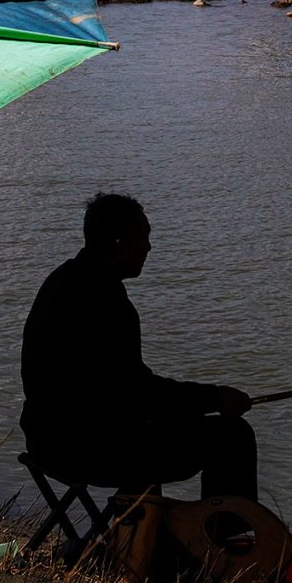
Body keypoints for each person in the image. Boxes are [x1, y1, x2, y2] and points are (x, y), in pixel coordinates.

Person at [20, 192, 256, 499]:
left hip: (45, 437)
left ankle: (146, 530)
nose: (148, 247)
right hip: (85, 448)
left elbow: (121, 392)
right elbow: (137, 393)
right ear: (119, 243)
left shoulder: (64, 279)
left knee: (166, 426)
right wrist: (215, 398)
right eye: (143, 238)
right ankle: (225, 542)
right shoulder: (105, 303)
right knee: (232, 437)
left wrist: (193, 406)